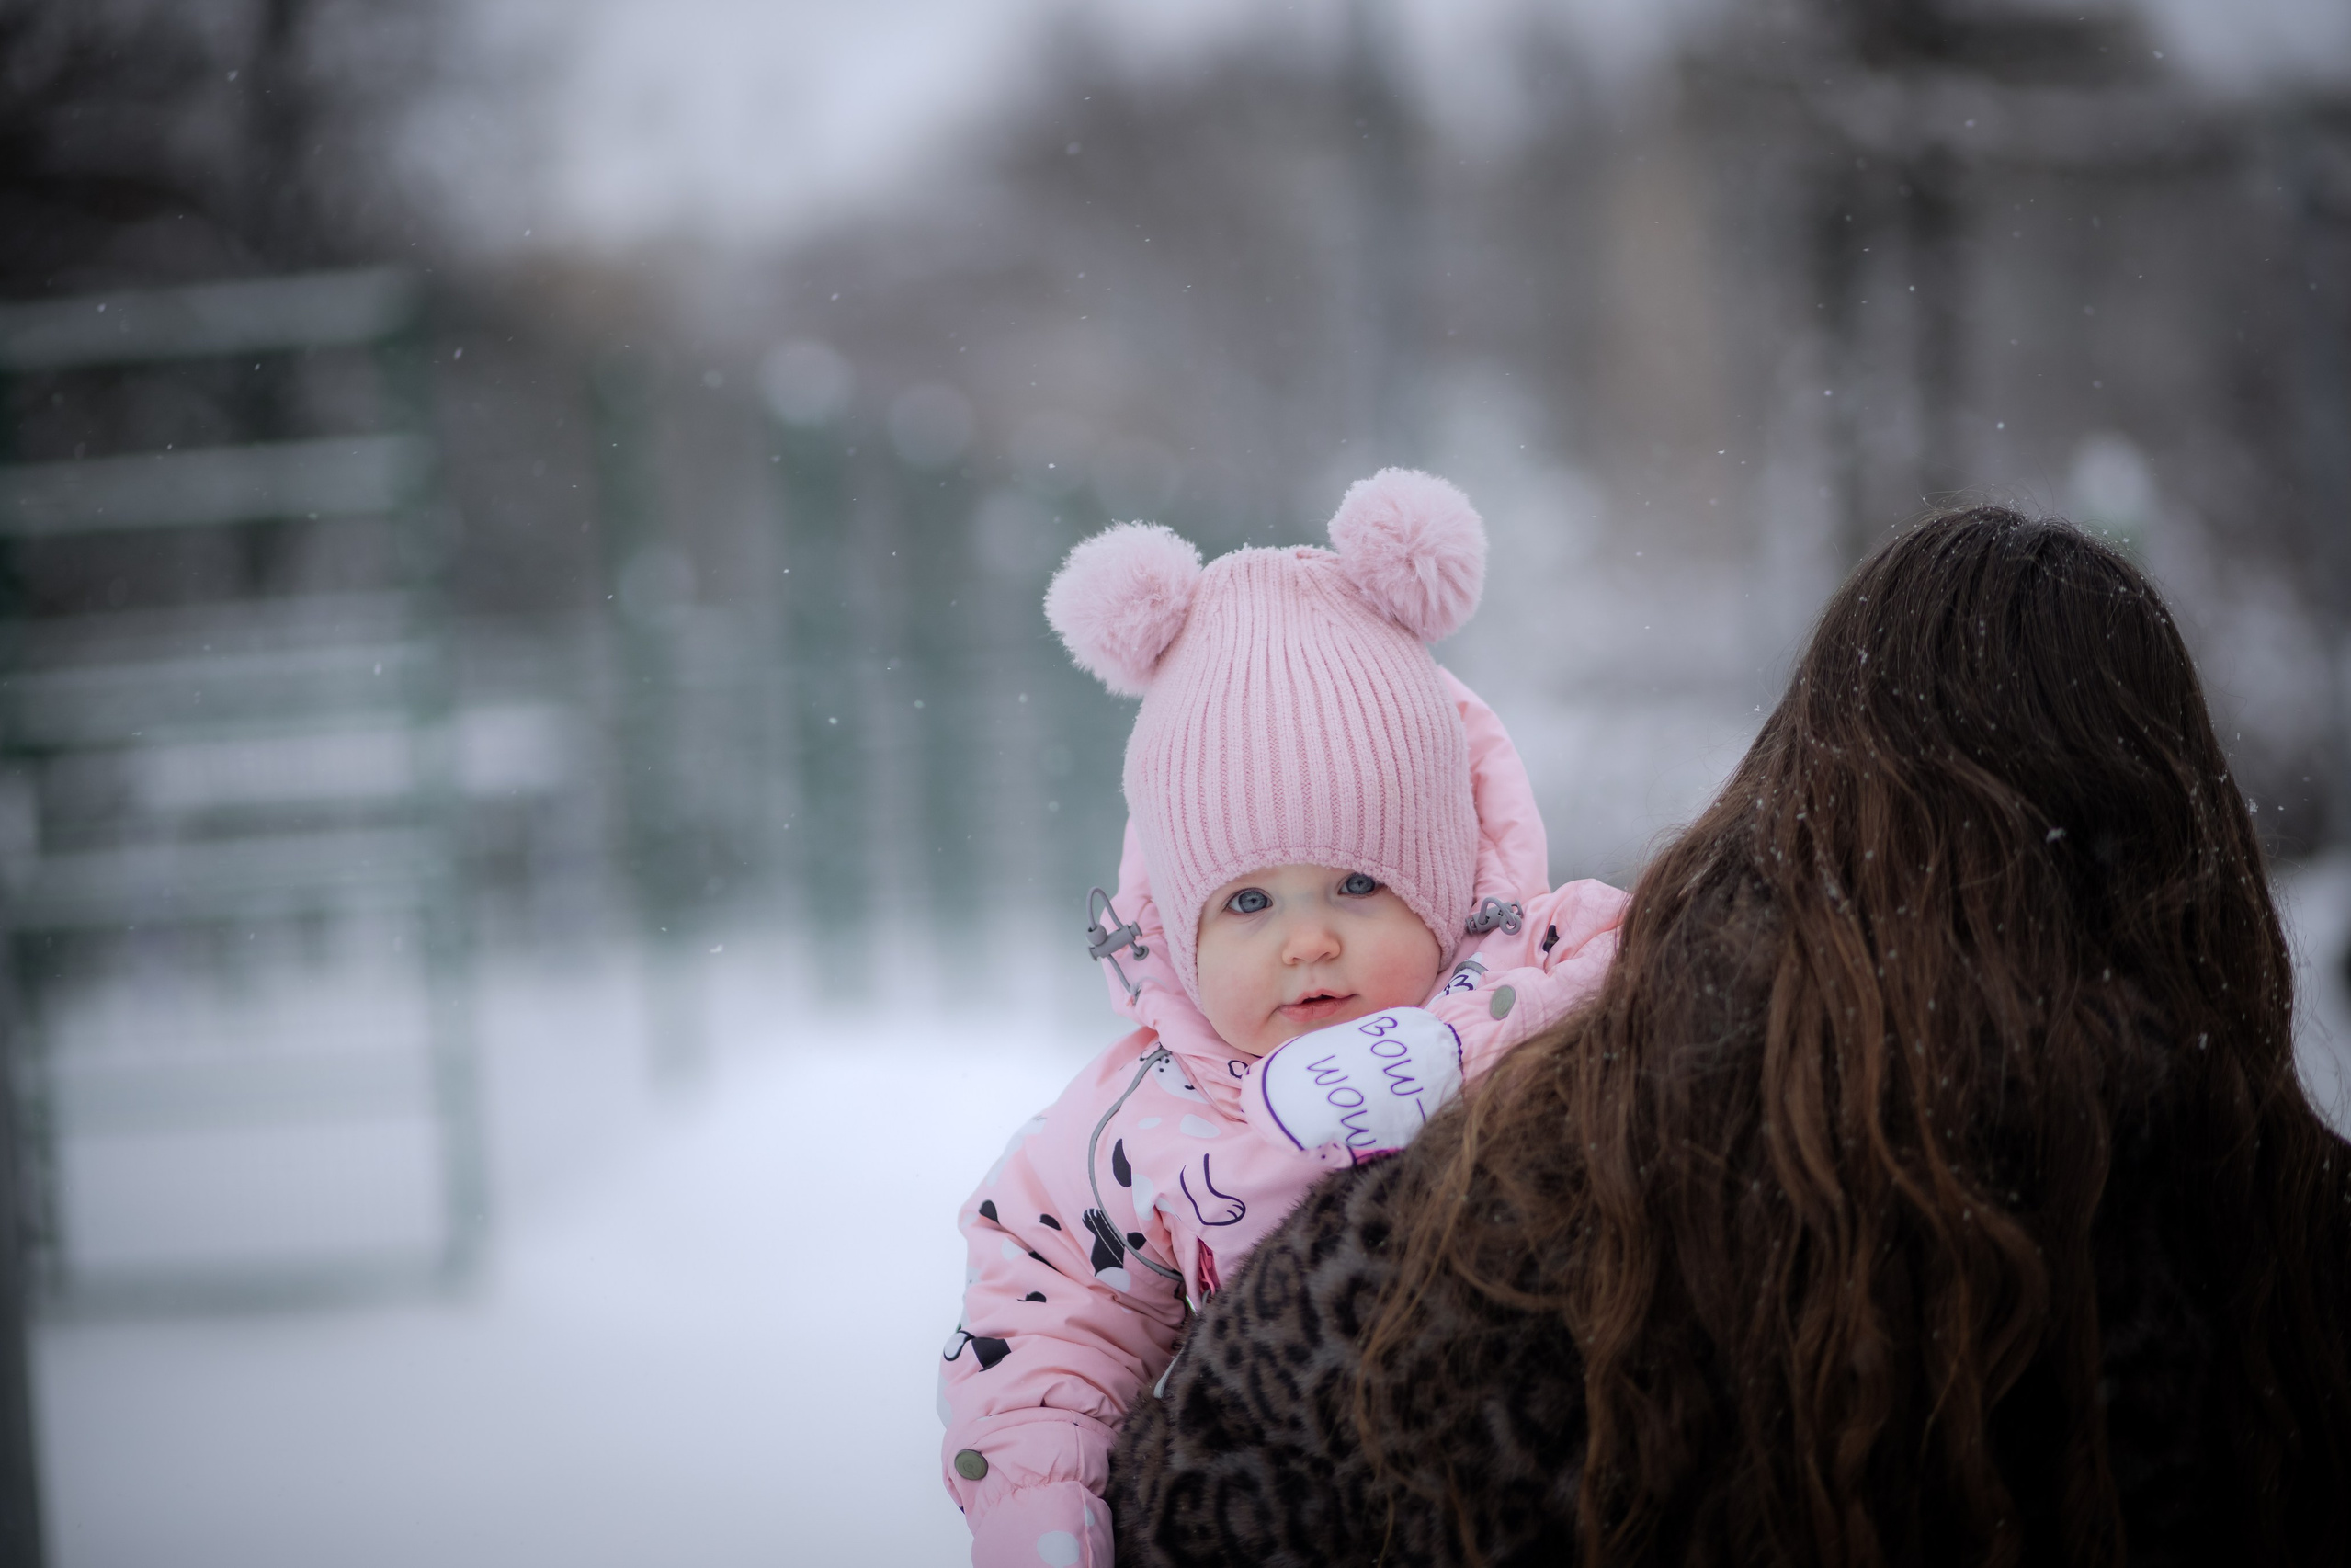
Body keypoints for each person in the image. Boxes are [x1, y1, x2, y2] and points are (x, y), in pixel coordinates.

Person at [1113, 506, 2351, 1568]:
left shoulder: (1530, 1184)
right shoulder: (2290, 1254)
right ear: (2192, 861)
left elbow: (1202, 1496)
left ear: (1797, 795)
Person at [938, 470, 1630, 1568]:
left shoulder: (1540, 966)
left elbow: (1655, 995)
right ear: (1178, 929)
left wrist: (1462, 1048)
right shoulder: (1142, 1118)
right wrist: (1038, 1504)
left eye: (1357, 884)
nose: (1306, 940)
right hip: (1297, 1514)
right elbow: (1043, 1308)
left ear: (1445, 878)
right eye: (1248, 902)